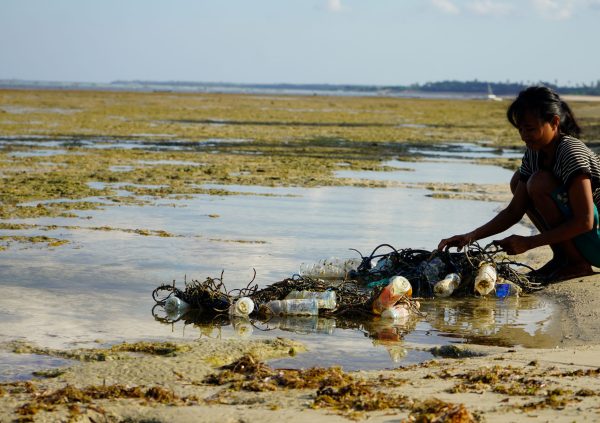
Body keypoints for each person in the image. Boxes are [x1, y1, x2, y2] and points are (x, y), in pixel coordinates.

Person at [438, 86, 600, 282]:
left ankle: (576, 263)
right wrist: (469, 237)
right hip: (587, 237)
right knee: (519, 181)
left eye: (530, 129)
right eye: (520, 129)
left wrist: (529, 242)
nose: (524, 135)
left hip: (594, 239)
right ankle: (563, 258)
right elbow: (514, 211)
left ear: (554, 122)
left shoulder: (571, 152)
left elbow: (585, 221)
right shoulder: (534, 153)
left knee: (538, 182)